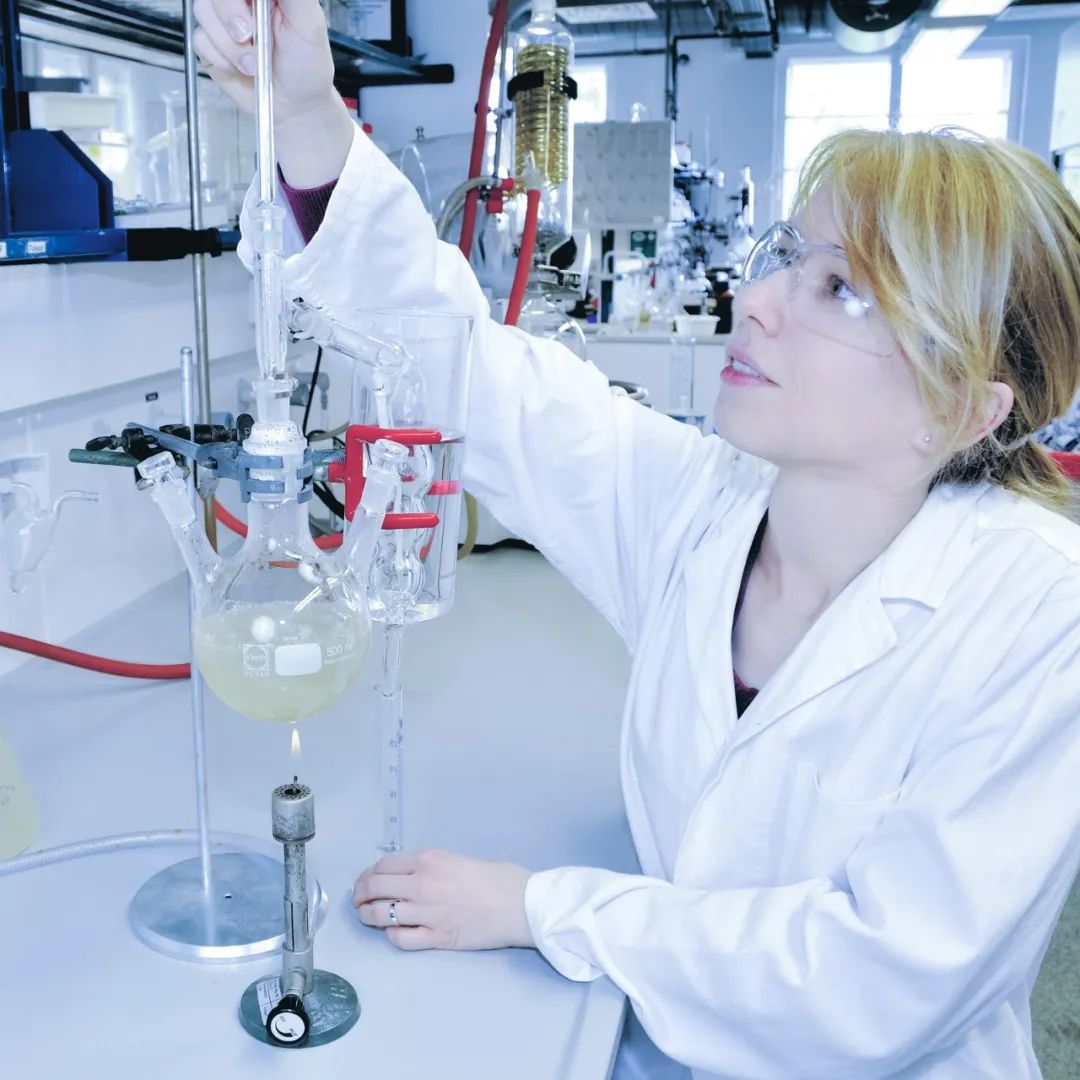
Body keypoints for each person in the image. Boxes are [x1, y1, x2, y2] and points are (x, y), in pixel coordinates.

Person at [194, 1, 1080, 1075]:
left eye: (841, 290)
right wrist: (303, 112)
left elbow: (876, 982)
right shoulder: (706, 508)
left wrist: (542, 908)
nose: (758, 300)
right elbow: (467, 367)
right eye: (786, 257)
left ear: (962, 407)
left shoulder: (1039, 615)